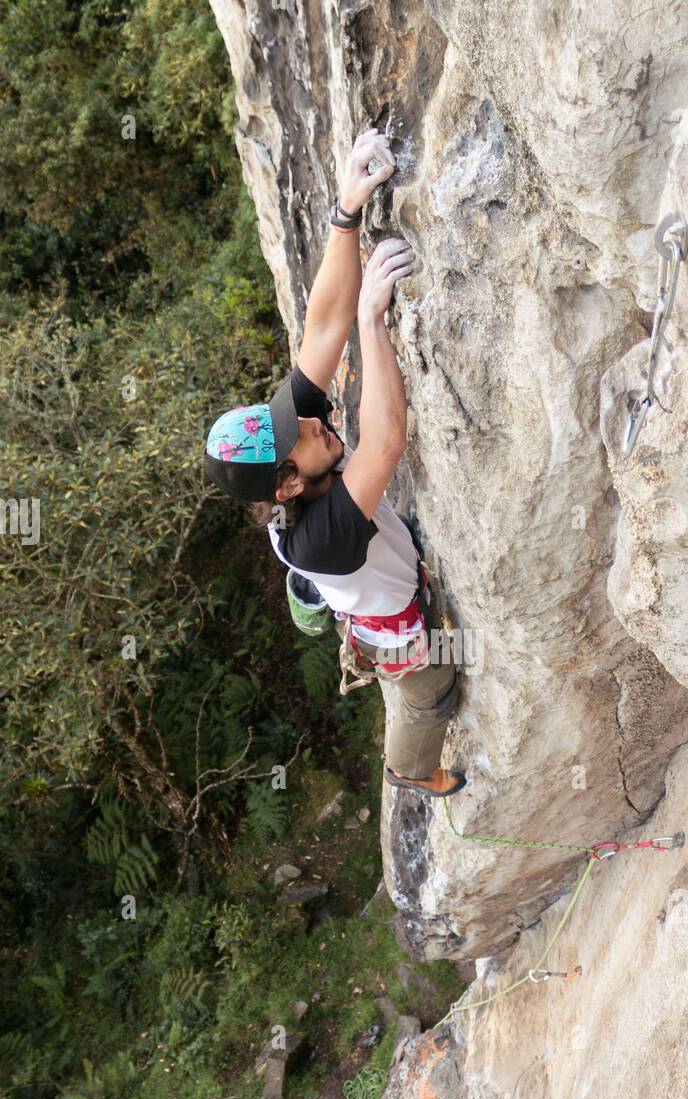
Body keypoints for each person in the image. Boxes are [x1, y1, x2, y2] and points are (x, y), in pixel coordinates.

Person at [204, 128, 466, 798]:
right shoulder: (315, 538)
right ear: (288, 482)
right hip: (394, 630)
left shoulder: (289, 454)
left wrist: (347, 207)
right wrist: (374, 326)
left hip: (379, 564)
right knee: (430, 691)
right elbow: (383, 444)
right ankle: (411, 772)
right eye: (300, 435)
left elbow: (320, 328)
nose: (315, 420)